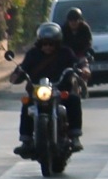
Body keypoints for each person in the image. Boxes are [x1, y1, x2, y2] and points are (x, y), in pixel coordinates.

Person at [11, 23, 88, 156]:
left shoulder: (65, 53)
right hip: (37, 92)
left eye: (51, 44)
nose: (47, 47)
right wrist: (17, 74)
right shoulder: (33, 54)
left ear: (57, 43)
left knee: (74, 99)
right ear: (39, 43)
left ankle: (75, 137)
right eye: (44, 44)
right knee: (26, 105)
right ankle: (26, 140)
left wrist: (84, 69)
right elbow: (22, 68)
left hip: (60, 90)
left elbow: (78, 62)